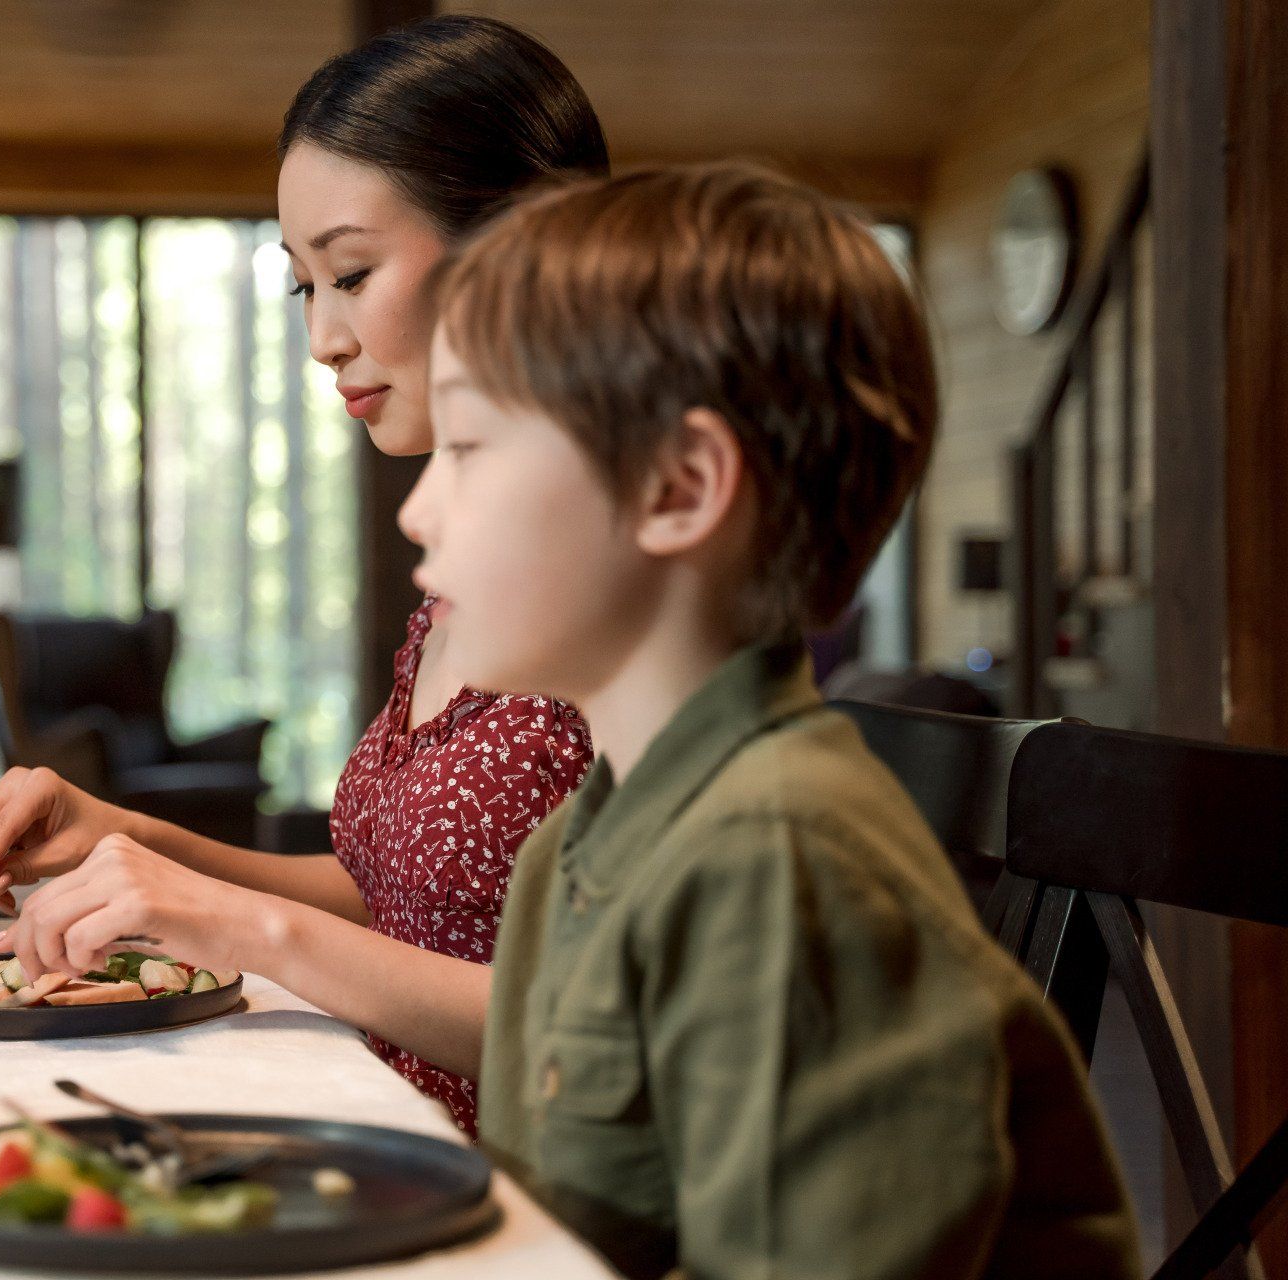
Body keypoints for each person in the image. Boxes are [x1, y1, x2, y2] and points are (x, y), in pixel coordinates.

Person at [401, 162, 1141, 1278]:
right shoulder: (577, 848)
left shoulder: (777, 860)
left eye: (465, 448)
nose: (417, 507)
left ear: (680, 487)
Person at [0, 15, 607, 1134]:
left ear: (520, 244)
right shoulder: (467, 569)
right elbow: (396, 903)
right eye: (302, 285)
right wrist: (128, 838)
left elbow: (622, 1042)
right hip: (372, 1131)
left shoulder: (637, 580)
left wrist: (240, 925)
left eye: (351, 272)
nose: (322, 338)